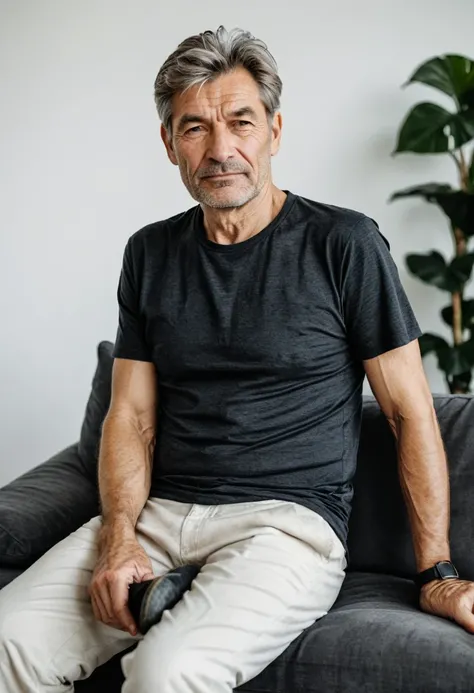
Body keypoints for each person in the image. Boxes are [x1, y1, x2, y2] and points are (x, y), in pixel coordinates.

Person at [1, 24, 474, 693]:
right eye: (194, 127)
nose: (221, 149)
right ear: (169, 143)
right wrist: (117, 533)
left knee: (168, 673)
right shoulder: (149, 254)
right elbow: (130, 416)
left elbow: (408, 410)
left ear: (274, 132)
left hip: (287, 527)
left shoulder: (345, 244)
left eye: (240, 122)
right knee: (6, 639)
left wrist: (437, 574)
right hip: (162, 515)